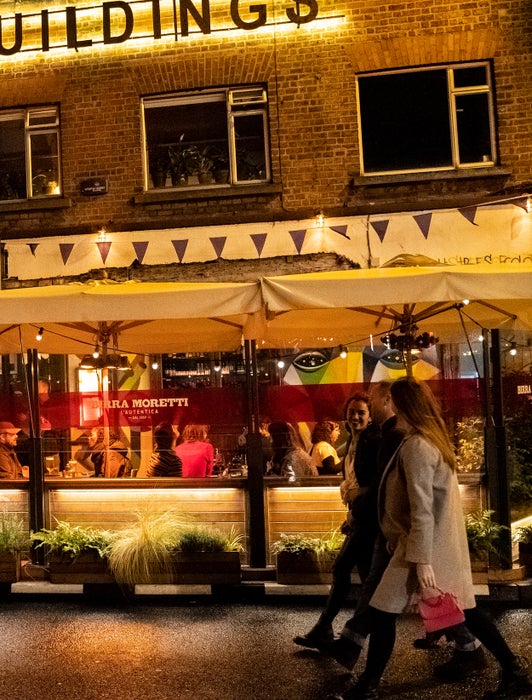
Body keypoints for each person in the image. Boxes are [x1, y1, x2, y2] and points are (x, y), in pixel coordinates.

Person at [336, 377, 532, 700]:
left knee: (383, 611)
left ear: (400, 405)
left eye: (390, 401)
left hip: (421, 552)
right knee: (466, 612)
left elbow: (422, 509)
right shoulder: (433, 442)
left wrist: (421, 560)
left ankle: (367, 685)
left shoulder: (415, 447)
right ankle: (513, 669)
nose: (383, 405)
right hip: (434, 549)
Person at [293, 393, 379, 651]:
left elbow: (378, 481)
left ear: (370, 416)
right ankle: (364, 632)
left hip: (369, 520)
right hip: (359, 517)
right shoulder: (354, 443)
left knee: (343, 568)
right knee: (366, 578)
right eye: (351, 412)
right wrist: (350, 509)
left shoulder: (372, 442)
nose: (355, 417)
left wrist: (359, 497)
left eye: (361, 413)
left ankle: (331, 629)